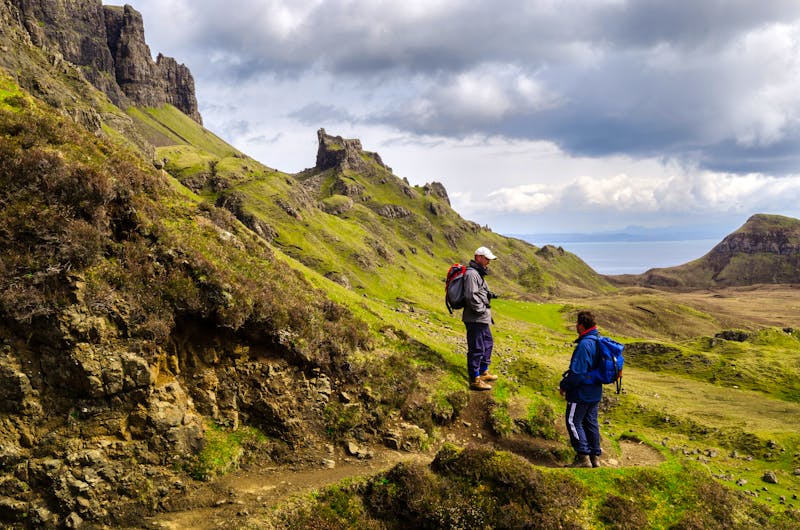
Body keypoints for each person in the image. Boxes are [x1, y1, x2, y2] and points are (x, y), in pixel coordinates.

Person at [559, 310, 603, 467]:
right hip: (595, 392)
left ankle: (582, 457)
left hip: (581, 393)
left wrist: (564, 386)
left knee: (573, 421)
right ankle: (594, 458)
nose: (576, 327)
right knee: (591, 422)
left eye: (577, 324)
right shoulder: (598, 340)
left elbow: (577, 373)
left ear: (582, 326)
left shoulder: (584, 345)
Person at [462, 246, 499, 391]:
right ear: (478, 257)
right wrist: (481, 309)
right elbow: (470, 296)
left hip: (481, 318)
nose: (488, 262)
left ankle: (483, 372)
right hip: (475, 318)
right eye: (486, 258)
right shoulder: (472, 274)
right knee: (476, 347)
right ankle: (474, 379)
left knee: (487, 343)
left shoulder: (478, 274)